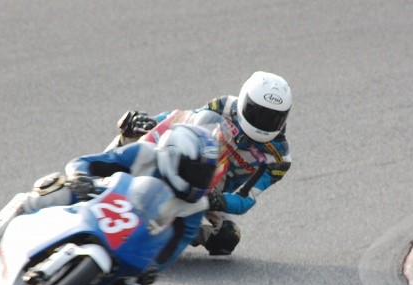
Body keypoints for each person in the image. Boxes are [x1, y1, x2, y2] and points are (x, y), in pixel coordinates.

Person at [0, 123, 220, 285]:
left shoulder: (196, 206)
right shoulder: (143, 154)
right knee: (56, 188)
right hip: (96, 203)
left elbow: (172, 248)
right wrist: (80, 177)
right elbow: (88, 162)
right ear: (173, 157)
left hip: (129, 242)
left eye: (205, 175)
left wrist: (153, 266)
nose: (199, 181)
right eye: (194, 172)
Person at [113, 71, 293, 256]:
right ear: (244, 102)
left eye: (272, 118)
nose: (263, 122)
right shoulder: (225, 105)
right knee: (134, 126)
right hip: (190, 157)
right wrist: (154, 123)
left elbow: (246, 198)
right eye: (257, 113)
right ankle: (111, 160)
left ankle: (175, 232)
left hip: (213, 191)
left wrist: (221, 201)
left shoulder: (279, 159)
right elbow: (185, 119)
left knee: (227, 237)